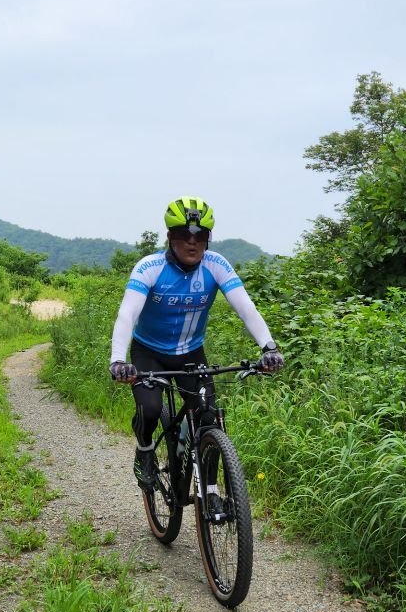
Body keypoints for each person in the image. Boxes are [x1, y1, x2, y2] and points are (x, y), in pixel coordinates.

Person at [109, 196, 284, 502]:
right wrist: (118, 360)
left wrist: (269, 347)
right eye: (183, 234)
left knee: (208, 417)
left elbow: (246, 308)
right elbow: (127, 314)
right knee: (150, 409)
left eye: (200, 235)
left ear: (207, 239)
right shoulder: (150, 267)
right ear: (170, 236)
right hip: (149, 352)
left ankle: (210, 491)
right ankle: (145, 449)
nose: (192, 242)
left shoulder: (216, 265)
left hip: (191, 354)